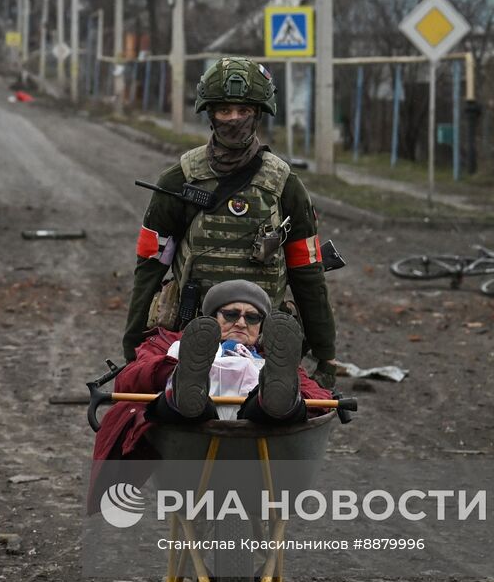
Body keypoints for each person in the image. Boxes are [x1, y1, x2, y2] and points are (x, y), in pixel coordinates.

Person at [124, 57, 336, 388]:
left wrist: (326, 353)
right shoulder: (178, 181)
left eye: (243, 110)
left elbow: (308, 274)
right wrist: (133, 344)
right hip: (191, 330)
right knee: (166, 380)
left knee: (281, 395)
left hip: (261, 334)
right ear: (210, 114)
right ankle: (192, 377)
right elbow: (150, 268)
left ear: (259, 113)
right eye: (224, 111)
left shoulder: (285, 186)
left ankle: (269, 383)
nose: (234, 119)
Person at [93, 281, 334, 465]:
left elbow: (316, 394)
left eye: (252, 317)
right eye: (231, 314)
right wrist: (170, 367)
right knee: (190, 403)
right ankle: (182, 387)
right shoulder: (172, 343)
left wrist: (308, 401)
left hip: (255, 427)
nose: (241, 323)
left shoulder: (270, 356)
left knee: (272, 402)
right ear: (211, 317)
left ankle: (277, 399)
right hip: (192, 431)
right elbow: (128, 379)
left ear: (262, 326)